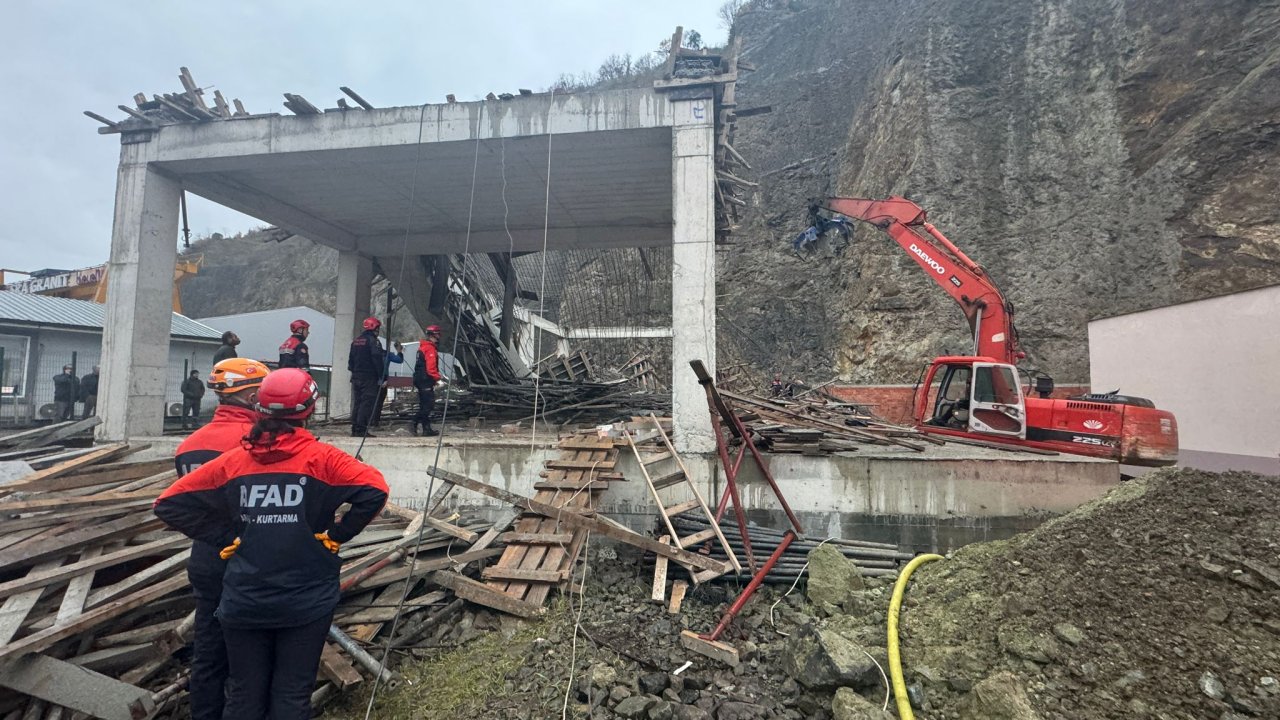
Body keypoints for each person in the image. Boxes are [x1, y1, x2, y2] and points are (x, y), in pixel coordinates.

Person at [154, 369, 388, 720]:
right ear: (310, 409)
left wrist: (226, 537)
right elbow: (376, 490)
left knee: (244, 694)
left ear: (259, 407)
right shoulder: (324, 460)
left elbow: (168, 503)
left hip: (244, 599)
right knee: (291, 695)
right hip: (306, 600)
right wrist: (339, 535)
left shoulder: (234, 462)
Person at [172, 358, 270, 720]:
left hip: (207, 559)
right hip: (254, 562)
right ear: (252, 394)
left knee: (209, 654)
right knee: (252, 658)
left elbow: (181, 505)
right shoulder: (256, 442)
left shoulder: (189, 446)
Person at [348, 316, 393, 437]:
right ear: (375, 328)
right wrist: (382, 377)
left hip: (356, 377)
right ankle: (362, 429)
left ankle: (355, 428)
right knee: (367, 403)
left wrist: (355, 372)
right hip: (369, 378)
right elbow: (377, 359)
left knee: (357, 403)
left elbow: (350, 362)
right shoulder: (373, 342)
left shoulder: (356, 341)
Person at [412, 325, 447, 436]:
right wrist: (438, 378)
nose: (439, 337)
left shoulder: (423, 347)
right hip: (425, 379)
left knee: (424, 405)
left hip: (421, 379)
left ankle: (426, 429)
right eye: (437, 334)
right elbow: (431, 368)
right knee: (428, 405)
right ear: (433, 335)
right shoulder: (430, 348)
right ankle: (414, 421)